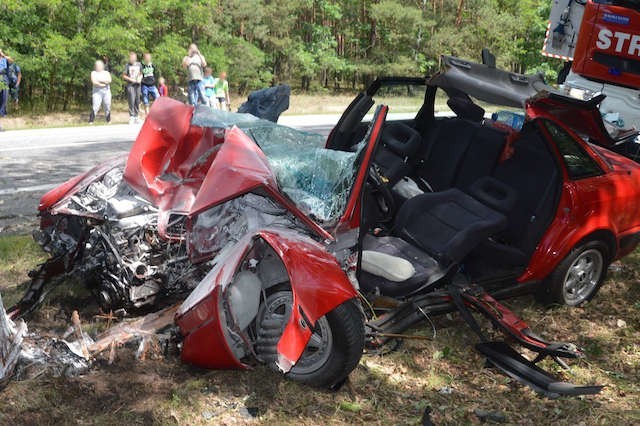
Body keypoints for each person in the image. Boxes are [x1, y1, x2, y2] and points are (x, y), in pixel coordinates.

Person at [89, 60, 112, 124]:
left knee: (107, 105)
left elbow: (109, 80)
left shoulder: (106, 73)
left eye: (99, 65)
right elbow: (94, 82)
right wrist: (103, 84)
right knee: (96, 106)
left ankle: (108, 120)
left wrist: (99, 81)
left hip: (106, 92)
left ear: (102, 66)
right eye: (97, 65)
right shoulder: (93, 73)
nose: (98, 67)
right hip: (97, 93)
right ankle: (91, 121)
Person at [122, 52, 142, 124]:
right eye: (131, 57)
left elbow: (141, 73)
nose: (132, 59)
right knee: (131, 100)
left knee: (137, 100)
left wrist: (140, 78)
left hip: (138, 85)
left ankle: (136, 117)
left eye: (134, 57)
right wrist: (131, 79)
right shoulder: (127, 65)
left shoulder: (139, 64)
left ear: (136, 58)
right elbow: (124, 75)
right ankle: (132, 117)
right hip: (130, 85)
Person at [0, 50, 9, 117]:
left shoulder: (4, 59)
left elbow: (11, 60)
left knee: (4, 96)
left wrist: (3, 55)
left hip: (4, 77)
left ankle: (2, 112)